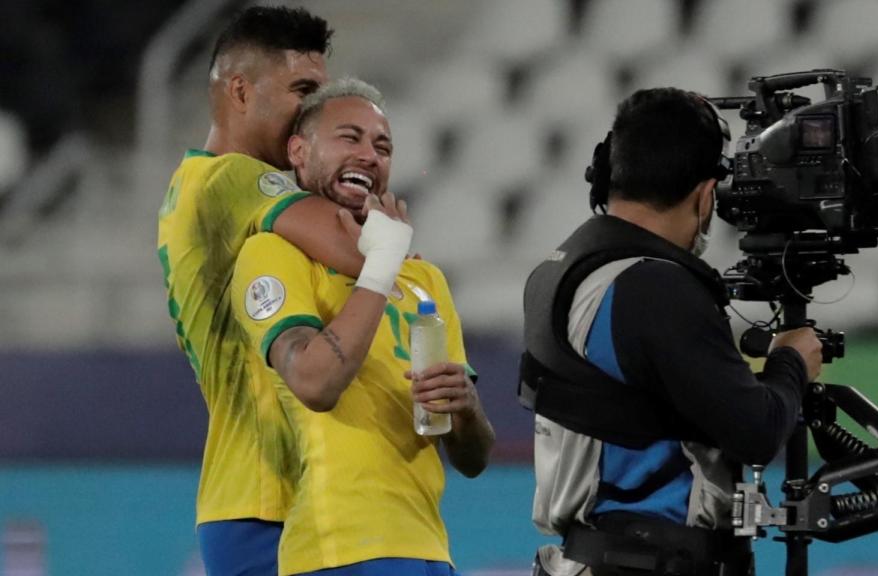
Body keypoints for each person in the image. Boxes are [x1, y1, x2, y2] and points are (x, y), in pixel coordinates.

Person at [519, 88, 823, 576]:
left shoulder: (553, 272)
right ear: (706, 196)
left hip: (582, 559)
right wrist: (792, 362)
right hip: (648, 561)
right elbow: (758, 429)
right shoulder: (655, 286)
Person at [156, 6, 397, 575]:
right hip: (264, 497)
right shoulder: (231, 180)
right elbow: (366, 250)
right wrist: (385, 224)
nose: (313, 107)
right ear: (240, 91)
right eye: (302, 89)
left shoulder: (196, 185)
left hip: (261, 494)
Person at [230, 77, 495, 576]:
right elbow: (315, 382)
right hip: (336, 552)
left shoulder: (424, 279)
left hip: (430, 551)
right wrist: (382, 262)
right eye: (348, 138)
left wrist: (466, 408)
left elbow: (473, 458)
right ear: (299, 151)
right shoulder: (272, 253)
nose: (370, 155)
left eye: (383, 146)